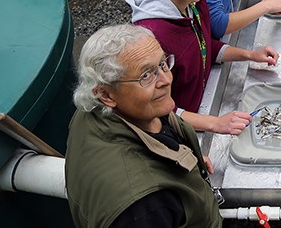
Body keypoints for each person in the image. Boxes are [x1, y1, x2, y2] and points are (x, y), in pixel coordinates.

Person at [66, 24, 222, 227]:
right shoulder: (143, 209)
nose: (166, 80)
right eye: (146, 75)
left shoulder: (98, 113)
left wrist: (187, 157)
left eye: (163, 64)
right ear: (105, 94)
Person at [124, 0, 279, 134]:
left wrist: (249, 55)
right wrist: (214, 123)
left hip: (199, 108)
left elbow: (204, 44)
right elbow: (152, 107)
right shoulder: (151, 35)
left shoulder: (194, 2)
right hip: (176, 128)